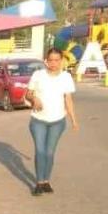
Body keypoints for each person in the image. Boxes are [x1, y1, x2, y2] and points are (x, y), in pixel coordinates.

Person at [24, 47, 79, 196]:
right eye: (51, 60)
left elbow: (68, 99)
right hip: (38, 120)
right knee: (40, 151)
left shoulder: (66, 77)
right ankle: (39, 183)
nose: (53, 63)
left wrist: (73, 120)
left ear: (61, 61)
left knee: (49, 152)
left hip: (58, 121)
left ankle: (46, 180)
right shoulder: (38, 75)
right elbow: (28, 94)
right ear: (46, 61)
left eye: (57, 60)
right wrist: (34, 98)